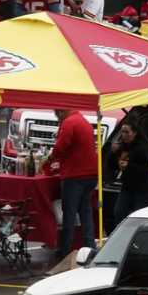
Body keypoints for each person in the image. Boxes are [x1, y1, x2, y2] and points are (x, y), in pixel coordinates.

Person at [49, 105, 98, 262]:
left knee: (69, 214)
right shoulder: (83, 121)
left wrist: (50, 159)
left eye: (57, 115)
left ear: (61, 110)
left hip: (74, 174)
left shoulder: (69, 122)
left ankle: (66, 250)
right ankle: (89, 246)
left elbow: (61, 147)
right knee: (86, 211)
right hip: (90, 173)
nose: (58, 118)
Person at [111, 118, 148, 226]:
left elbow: (145, 169)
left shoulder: (142, 148)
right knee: (119, 212)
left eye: (127, 132)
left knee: (139, 218)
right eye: (122, 131)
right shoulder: (122, 146)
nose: (123, 135)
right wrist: (113, 153)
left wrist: (128, 166)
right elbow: (112, 165)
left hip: (143, 188)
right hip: (127, 186)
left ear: (135, 133)